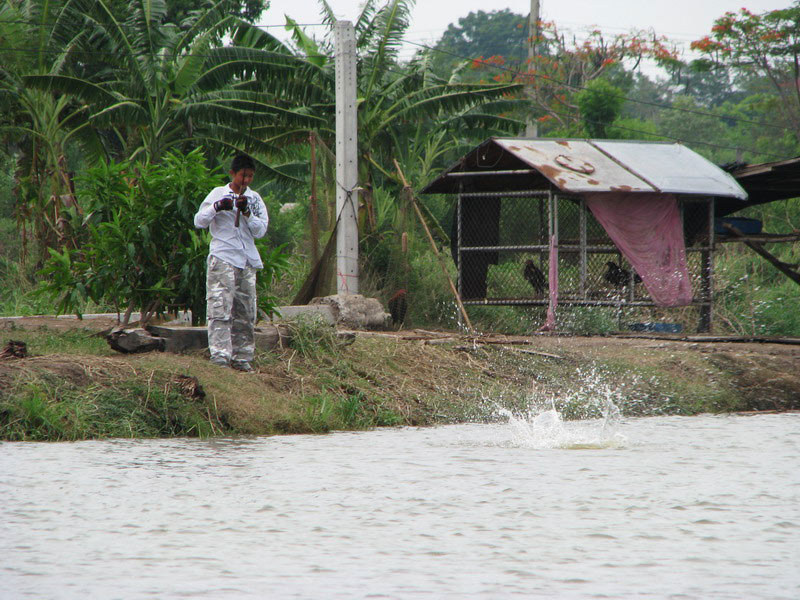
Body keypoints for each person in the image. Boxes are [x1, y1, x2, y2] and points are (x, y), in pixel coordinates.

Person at [193, 154, 269, 372]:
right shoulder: (218, 193)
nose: (246, 180)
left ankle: (242, 356)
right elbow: (199, 221)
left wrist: (247, 213)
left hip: (246, 260)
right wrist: (218, 207)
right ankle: (220, 354)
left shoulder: (254, 199)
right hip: (223, 256)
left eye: (250, 176)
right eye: (243, 175)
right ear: (232, 174)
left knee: (245, 311)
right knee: (220, 306)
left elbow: (260, 230)